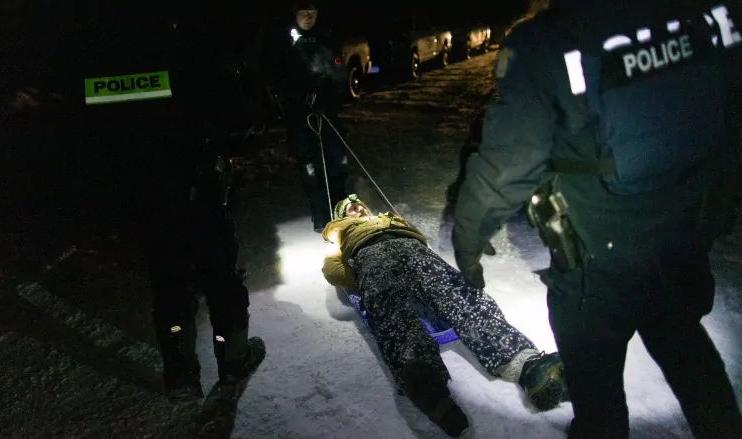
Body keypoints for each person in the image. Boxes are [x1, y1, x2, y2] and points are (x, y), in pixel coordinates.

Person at [451, 1, 742, 438]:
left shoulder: (543, 42)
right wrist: (717, 209)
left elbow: (508, 161)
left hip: (594, 257)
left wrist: (469, 239)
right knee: (685, 342)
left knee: (596, 385)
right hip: (681, 232)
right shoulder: (699, 14)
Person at [79, 1, 266, 404]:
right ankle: (232, 362)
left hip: (145, 197)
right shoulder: (188, 56)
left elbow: (91, 132)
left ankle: (181, 376)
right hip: (196, 190)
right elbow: (239, 118)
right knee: (220, 279)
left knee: (169, 282)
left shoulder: (104, 64)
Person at [321, 194, 566, 438]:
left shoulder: (388, 218)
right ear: (342, 216)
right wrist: (363, 278)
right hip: (370, 256)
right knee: (392, 312)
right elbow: (333, 269)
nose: (358, 208)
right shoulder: (338, 231)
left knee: (461, 295)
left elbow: (419, 238)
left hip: (413, 249)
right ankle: (427, 387)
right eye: (351, 208)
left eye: (360, 204)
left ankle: (525, 364)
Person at [262, 1, 349, 232]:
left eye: (312, 14)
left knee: (337, 161)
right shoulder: (283, 41)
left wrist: (327, 92)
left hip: (326, 111)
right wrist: (297, 96)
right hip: (299, 115)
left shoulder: (326, 37)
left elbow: (338, 70)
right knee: (310, 166)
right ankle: (321, 217)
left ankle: (341, 212)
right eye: (304, 14)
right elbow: (274, 76)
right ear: (295, 15)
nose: (308, 19)